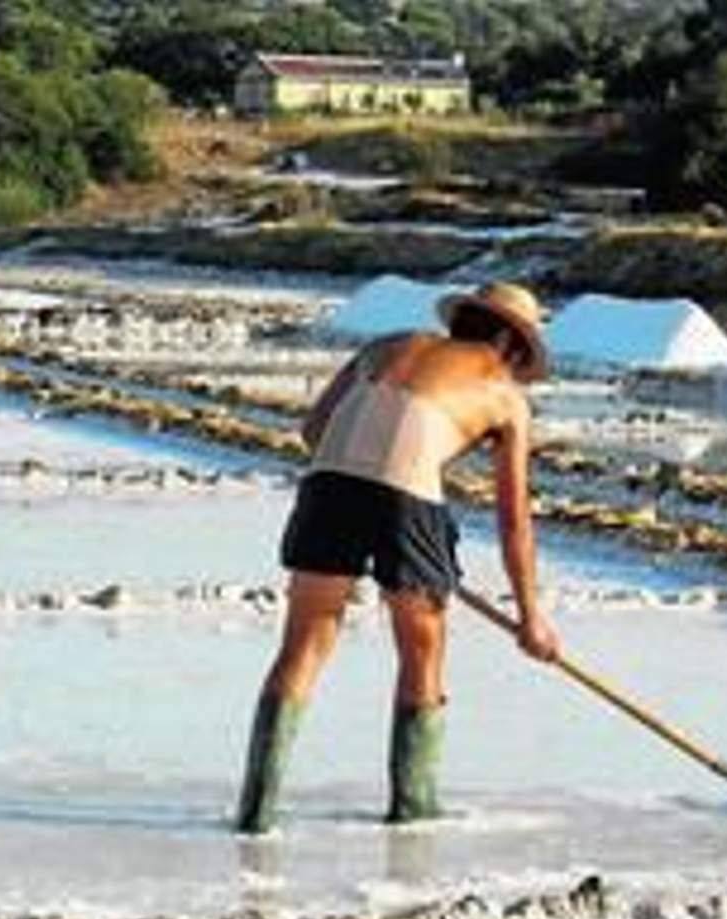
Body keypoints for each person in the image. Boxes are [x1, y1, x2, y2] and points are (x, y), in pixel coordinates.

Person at [235, 280, 561, 834]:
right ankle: (412, 809)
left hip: (328, 484)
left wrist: (366, 484)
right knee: (422, 654)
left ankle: (255, 812)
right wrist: (531, 618)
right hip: (407, 496)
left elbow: (313, 429)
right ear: (511, 341)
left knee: (303, 649)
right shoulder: (506, 396)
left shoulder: (388, 344)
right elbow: (513, 521)